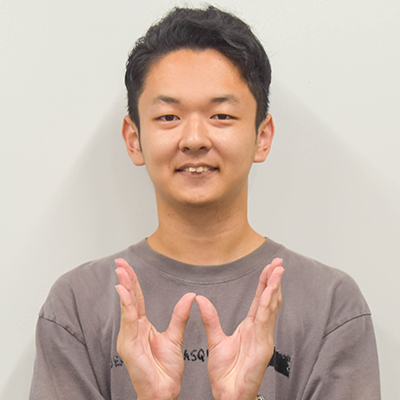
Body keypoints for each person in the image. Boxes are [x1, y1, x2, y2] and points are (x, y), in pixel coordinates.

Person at [29, 6, 380, 400]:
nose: (194, 139)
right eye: (168, 117)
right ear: (134, 138)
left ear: (262, 137)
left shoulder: (331, 304)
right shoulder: (77, 305)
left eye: (221, 115)